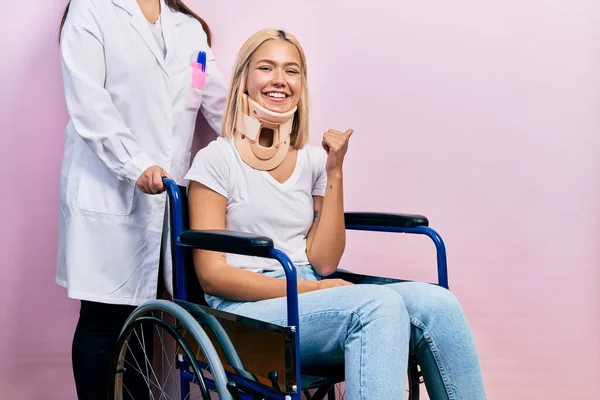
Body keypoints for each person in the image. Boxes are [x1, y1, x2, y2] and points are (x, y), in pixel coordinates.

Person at [184, 28, 487, 399]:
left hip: (311, 295)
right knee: (377, 306)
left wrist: (335, 171)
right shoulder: (217, 159)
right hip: (245, 314)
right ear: (244, 80)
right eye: (266, 68)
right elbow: (212, 276)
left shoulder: (314, 159)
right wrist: (310, 289)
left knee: (438, 303)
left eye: (292, 71)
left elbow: (324, 262)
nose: (280, 80)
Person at [55, 0, 227, 398]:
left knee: (146, 317)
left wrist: (268, 148)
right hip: (108, 188)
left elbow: (219, 102)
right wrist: (136, 165)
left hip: (168, 200)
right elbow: (90, 106)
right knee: (102, 318)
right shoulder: (91, 10)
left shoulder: (188, 28)